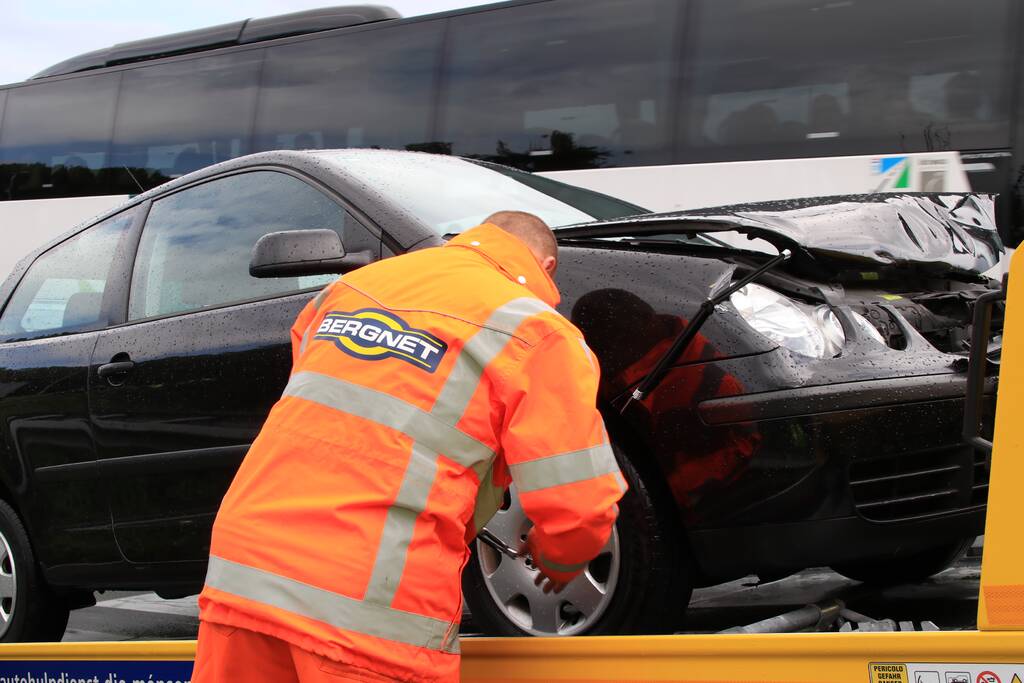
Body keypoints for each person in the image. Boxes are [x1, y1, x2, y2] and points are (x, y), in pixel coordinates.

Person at [192, 210, 626, 682]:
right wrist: (560, 557)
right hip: (365, 603)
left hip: (245, 571)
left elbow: (333, 414)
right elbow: (578, 503)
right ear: (545, 267)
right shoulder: (538, 333)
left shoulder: (349, 290)